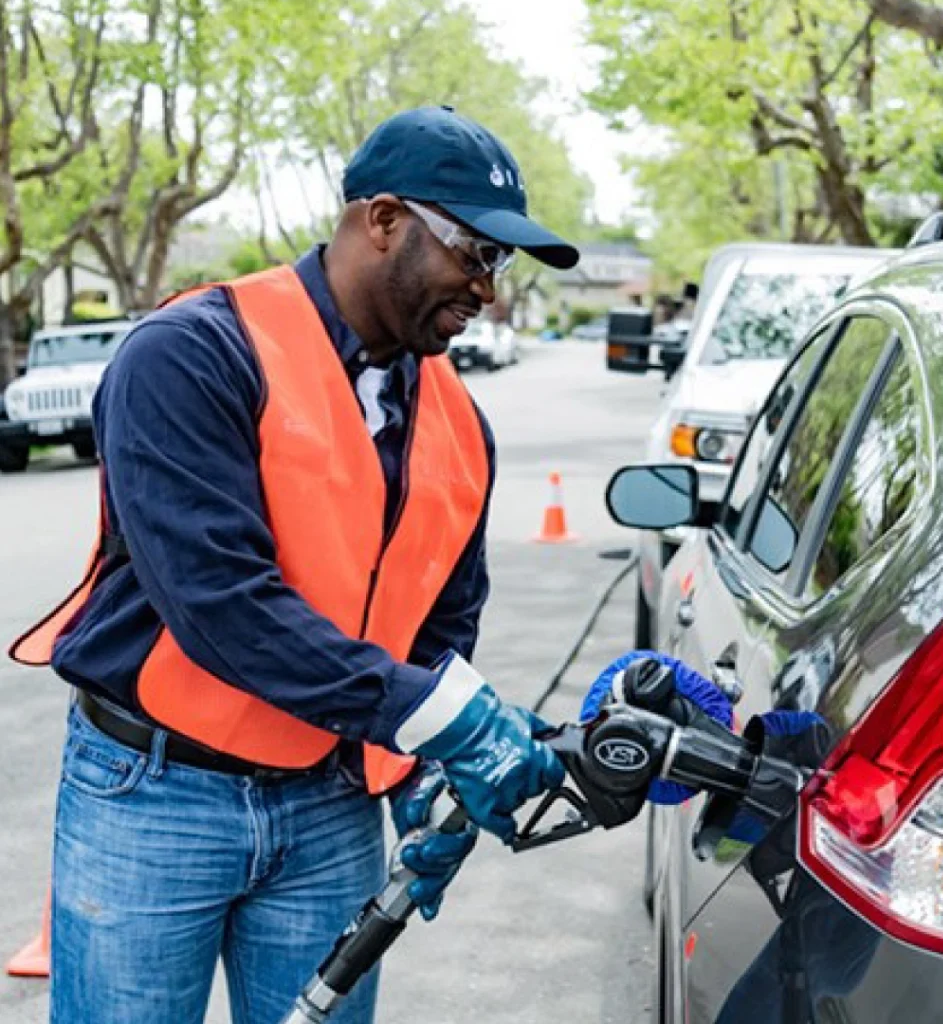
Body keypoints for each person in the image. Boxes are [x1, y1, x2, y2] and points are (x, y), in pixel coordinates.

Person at [10, 106, 579, 1024]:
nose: (489, 291)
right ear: (383, 220)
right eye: (475, 253)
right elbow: (222, 606)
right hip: (157, 799)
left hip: (327, 806)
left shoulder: (461, 425)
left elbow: (437, 625)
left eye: (499, 265)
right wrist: (442, 723)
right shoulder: (192, 356)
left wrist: (424, 774)